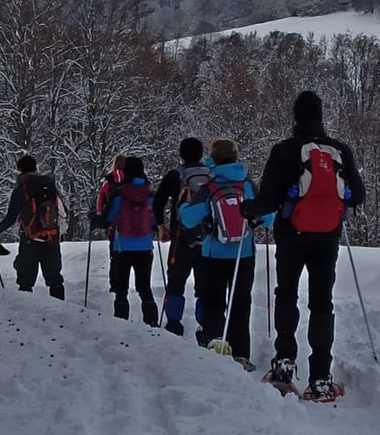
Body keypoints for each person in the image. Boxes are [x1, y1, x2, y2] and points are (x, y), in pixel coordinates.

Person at [242, 91, 366, 402]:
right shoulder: (340, 150)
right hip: (328, 237)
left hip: (291, 234)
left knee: (287, 294)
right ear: (321, 115)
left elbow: (268, 200)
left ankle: (284, 366)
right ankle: (321, 379)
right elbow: (358, 195)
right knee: (322, 303)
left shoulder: (285, 150)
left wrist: (249, 209)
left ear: (295, 116)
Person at [180, 139, 273, 371]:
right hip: (244, 253)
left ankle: (216, 348)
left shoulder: (210, 186)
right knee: (241, 303)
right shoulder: (247, 184)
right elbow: (268, 217)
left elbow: (189, 219)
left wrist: (182, 207)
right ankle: (241, 354)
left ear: (214, 158)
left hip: (213, 254)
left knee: (213, 302)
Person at [0, 155, 65, 299]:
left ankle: (25, 317)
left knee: (25, 281)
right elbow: (62, 211)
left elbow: (10, 219)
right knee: (55, 280)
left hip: (30, 239)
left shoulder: (21, 189)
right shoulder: (50, 184)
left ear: (20, 170)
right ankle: (63, 316)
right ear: (35, 167)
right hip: (51, 237)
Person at [152, 137, 208, 338]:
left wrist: (160, 227)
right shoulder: (210, 175)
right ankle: (205, 328)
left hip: (180, 239)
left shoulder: (175, 176)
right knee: (205, 287)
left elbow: (157, 202)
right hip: (206, 240)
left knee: (176, 283)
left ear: (181, 154)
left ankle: (173, 326)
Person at [97, 155, 159, 326]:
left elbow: (107, 219)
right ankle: (153, 323)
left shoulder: (119, 194)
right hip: (145, 247)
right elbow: (155, 221)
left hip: (122, 247)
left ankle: (121, 323)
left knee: (121, 290)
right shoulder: (150, 194)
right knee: (144, 287)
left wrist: (95, 219)